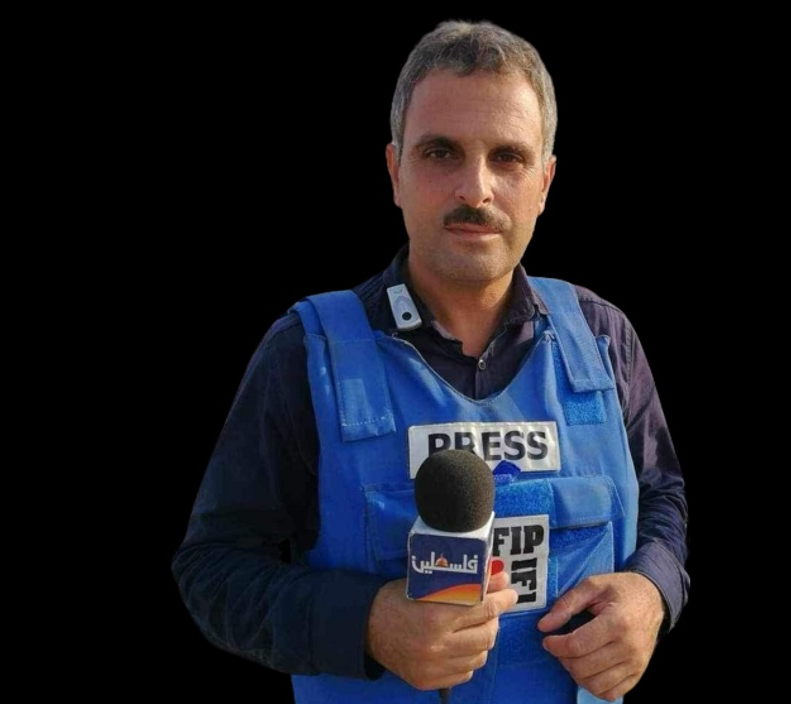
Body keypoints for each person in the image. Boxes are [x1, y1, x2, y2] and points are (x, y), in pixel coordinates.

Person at [172, 19, 689, 703]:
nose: (475, 189)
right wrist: (367, 624)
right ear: (395, 172)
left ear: (545, 183)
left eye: (508, 157)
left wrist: (653, 590)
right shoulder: (307, 353)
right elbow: (212, 571)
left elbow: (662, 499)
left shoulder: (603, 339)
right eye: (442, 152)